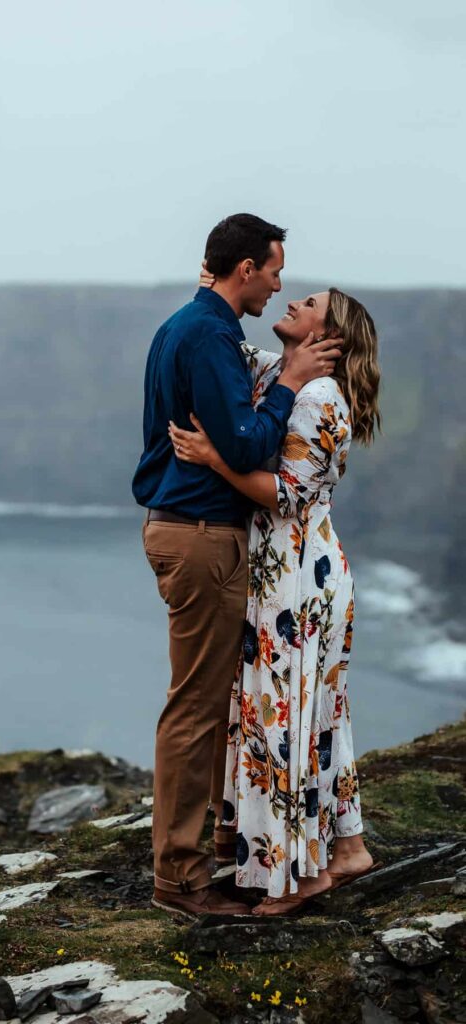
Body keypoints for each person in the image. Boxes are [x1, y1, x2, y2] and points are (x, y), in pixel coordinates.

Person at [131, 214, 341, 920]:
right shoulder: (212, 334)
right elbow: (251, 448)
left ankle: (204, 855)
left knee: (206, 704)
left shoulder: (183, 327)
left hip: (182, 528)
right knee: (195, 710)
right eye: (275, 271)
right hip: (199, 535)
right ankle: (182, 883)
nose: (280, 285)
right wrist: (287, 379)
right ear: (244, 269)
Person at [169, 277, 381, 914]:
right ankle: (348, 849)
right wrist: (213, 281)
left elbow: (287, 493)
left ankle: (300, 874)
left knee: (283, 715)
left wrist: (215, 459)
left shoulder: (319, 397)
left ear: (329, 337)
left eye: (309, 304)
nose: (293, 302)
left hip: (298, 574)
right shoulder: (282, 371)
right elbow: (226, 349)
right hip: (286, 568)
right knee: (315, 712)